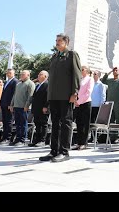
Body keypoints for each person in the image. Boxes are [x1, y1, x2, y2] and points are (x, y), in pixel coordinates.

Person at [39, 33, 81, 163]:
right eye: (56, 40)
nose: (57, 43)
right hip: (54, 95)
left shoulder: (72, 55)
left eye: (59, 41)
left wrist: (75, 92)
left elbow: (76, 74)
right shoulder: (55, 56)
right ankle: (54, 151)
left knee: (66, 123)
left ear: (66, 42)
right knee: (55, 123)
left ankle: (64, 151)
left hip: (66, 95)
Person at [9, 70, 35, 146]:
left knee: (23, 123)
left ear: (28, 75)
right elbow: (15, 95)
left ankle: (22, 140)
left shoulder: (30, 84)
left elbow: (30, 96)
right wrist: (11, 104)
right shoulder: (18, 84)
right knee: (17, 123)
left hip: (24, 107)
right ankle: (17, 139)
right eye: (21, 74)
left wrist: (27, 105)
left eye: (23, 74)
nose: (21, 75)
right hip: (16, 106)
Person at [101, 66, 119, 142]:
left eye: (116, 70)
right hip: (110, 103)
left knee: (118, 120)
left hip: (118, 103)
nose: (115, 71)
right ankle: (112, 136)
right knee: (111, 120)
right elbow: (103, 80)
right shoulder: (110, 80)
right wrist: (109, 72)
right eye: (114, 70)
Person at [72, 66, 94, 150]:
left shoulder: (89, 79)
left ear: (87, 71)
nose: (81, 71)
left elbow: (88, 92)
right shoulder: (80, 79)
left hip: (85, 103)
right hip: (77, 103)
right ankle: (79, 143)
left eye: (82, 69)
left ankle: (84, 143)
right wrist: (75, 100)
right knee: (79, 123)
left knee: (85, 123)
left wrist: (79, 101)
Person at [0, 68, 18, 144]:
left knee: (9, 121)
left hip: (9, 105)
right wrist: (0, 104)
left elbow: (14, 94)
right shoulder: (6, 82)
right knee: (4, 121)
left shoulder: (15, 81)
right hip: (4, 104)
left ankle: (8, 138)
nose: (8, 74)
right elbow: (3, 94)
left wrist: (11, 104)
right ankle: (4, 137)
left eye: (10, 73)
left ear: (13, 74)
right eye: (7, 73)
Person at [28, 71, 49, 147]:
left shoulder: (47, 84)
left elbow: (47, 96)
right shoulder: (38, 85)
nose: (38, 75)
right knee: (37, 124)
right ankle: (37, 140)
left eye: (40, 74)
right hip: (36, 108)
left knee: (43, 124)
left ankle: (42, 140)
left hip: (43, 108)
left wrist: (46, 106)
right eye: (39, 74)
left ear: (45, 76)